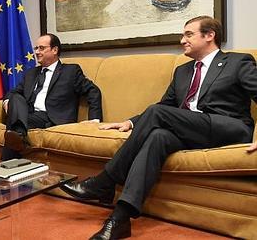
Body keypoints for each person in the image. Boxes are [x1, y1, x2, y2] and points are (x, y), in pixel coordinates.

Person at [60, 16, 257, 240]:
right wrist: (130, 122)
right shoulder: (182, 71)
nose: (182, 40)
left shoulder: (238, 62)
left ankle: (106, 180)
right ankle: (120, 219)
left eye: (188, 35)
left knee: (156, 114)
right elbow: (165, 106)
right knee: (158, 137)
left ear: (210, 35)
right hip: (191, 129)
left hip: (228, 127)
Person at [1, 33, 102, 160]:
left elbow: (93, 91)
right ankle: (19, 136)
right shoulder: (31, 73)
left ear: (55, 50)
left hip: (52, 117)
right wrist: (7, 101)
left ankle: (7, 160)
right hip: (29, 115)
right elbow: (14, 92)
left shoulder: (70, 71)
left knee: (13, 124)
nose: (37, 52)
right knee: (15, 98)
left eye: (41, 48)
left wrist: (95, 120)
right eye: (36, 48)